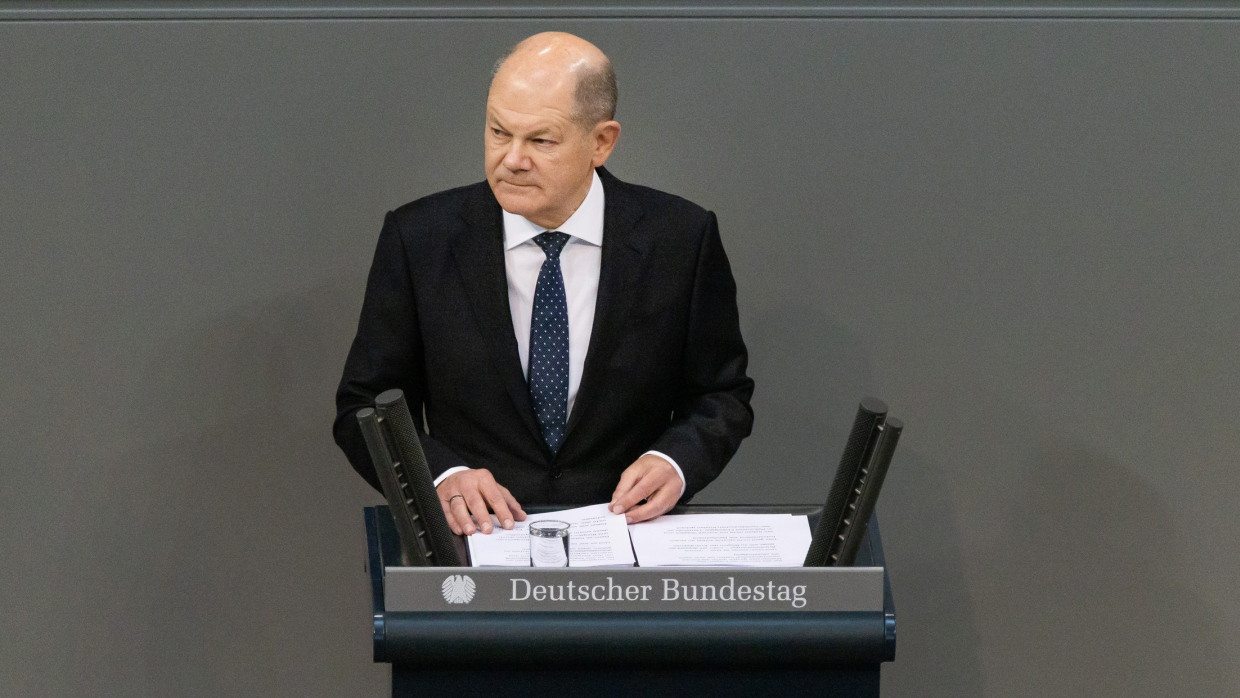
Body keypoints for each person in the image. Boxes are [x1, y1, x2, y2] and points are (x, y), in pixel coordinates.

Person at [333, 31, 753, 537]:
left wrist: (676, 462)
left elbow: (720, 395)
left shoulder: (681, 239)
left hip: (625, 550)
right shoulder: (421, 239)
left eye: (540, 140)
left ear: (601, 142)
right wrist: (439, 475)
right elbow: (364, 405)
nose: (511, 158)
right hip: (476, 546)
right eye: (497, 132)